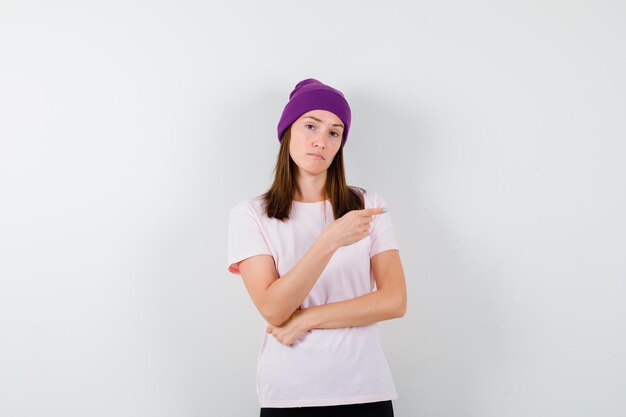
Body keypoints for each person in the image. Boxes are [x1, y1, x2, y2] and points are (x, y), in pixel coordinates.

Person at [227, 78, 407, 417]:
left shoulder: (367, 205)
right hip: (290, 393)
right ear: (288, 131)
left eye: (334, 132)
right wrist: (329, 240)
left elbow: (394, 301)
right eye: (311, 126)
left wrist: (307, 319)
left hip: (365, 390)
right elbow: (274, 310)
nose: (320, 141)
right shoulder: (251, 215)